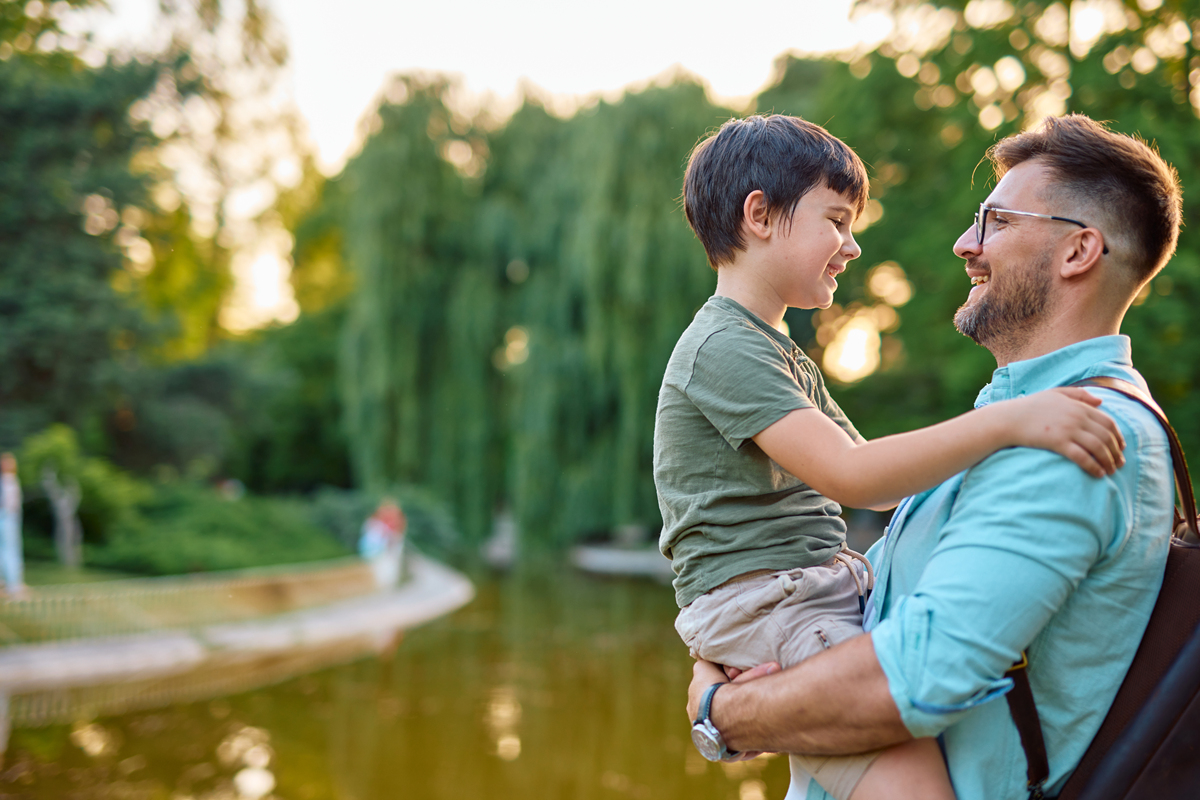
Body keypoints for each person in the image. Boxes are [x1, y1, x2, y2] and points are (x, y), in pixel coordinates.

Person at [683, 114, 1181, 800]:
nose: (964, 244)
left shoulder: (1075, 434)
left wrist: (720, 713)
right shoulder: (1019, 426)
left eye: (997, 222)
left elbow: (904, 681)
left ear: (1078, 252)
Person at [359, 498, 406, 589]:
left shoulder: (377, 524)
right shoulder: (375, 524)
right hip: (377, 552)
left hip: (383, 552)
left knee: (387, 571)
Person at [0, 453, 26, 598]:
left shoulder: (9, 480)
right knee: (10, 550)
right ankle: (13, 586)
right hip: (7, 517)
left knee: (7, 550)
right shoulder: (8, 480)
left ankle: (11, 583)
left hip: (9, 517)